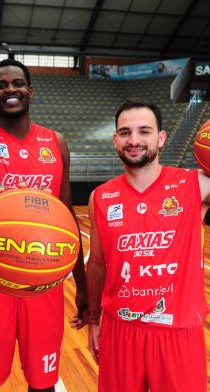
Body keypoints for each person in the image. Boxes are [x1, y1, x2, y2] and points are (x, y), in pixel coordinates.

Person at [0, 59, 88, 392]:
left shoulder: (56, 143)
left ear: (31, 90)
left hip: (45, 281)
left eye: (17, 83)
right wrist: (11, 206)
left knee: (42, 383)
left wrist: (82, 285)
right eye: (1, 85)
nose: (10, 89)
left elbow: (67, 214)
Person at [86, 99, 210, 392]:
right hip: (120, 330)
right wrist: (94, 320)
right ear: (115, 140)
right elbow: (97, 265)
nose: (134, 140)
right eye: (125, 132)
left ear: (161, 138)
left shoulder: (196, 184)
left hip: (179, 330)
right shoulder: (100, 198)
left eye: (144, 131)